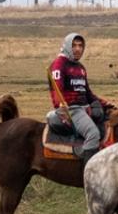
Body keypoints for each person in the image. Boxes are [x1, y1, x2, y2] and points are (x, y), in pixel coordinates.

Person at [48, 33, 111, 161]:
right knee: (93, 134)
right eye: (74, 45)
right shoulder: (59, 64)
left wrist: (104, 103)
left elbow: (87, 93)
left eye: (80, 46)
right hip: (71, 109)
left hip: (85, 107)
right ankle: (88, 170)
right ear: (67, 46)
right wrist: (60, 104)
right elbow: (57, 90)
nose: (77, 49)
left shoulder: (80, 67)